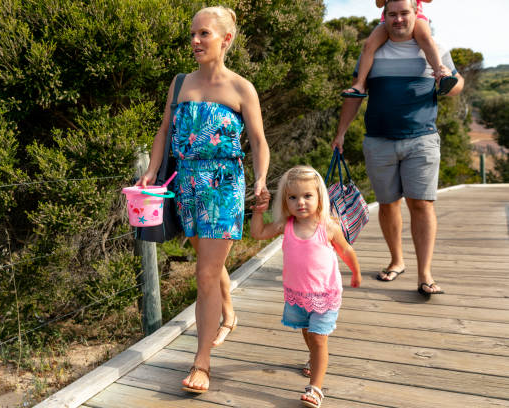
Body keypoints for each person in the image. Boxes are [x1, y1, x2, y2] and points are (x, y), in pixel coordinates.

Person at [136, 6, 270, 393]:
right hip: (186, 186)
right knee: (207, 263)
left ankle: (202, 363)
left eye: (204, 34)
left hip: (224, 184)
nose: (195, 41)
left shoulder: (242, 88)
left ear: (226, 40)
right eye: (193, 34)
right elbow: (164, 131)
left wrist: (260, 179)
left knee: (206, 273)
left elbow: (259, 142)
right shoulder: (179, 84)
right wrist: (152, 170)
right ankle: (228, 312)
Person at [332, 0, 464, 296]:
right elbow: (356, 92)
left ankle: (425, 275)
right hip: (378, 140)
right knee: (388, 203)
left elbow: (455, 83)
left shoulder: (433, 47)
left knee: (421, 204)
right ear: (384, 16)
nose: (398, 20)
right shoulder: (373, 50)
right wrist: (341, 133)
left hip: (422, 139)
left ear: (416, 14)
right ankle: (396, 261)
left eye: (404, 13)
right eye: (392, 14)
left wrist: (449, 81)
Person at [250, 166, 361, 408]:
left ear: (320, 196)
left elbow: (346, 250)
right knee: (306, 332)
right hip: (297, 295)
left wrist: (355, 272)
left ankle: (316, 389)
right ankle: (313, 359)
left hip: (325, 294)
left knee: (319, 340)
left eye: (307, 196)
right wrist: (259, 211)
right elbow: (257, 233)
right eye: (293, 197)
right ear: (285, 200)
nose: (300, 202)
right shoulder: (285, 226)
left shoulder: (327, 226)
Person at [341, 0, 457, 98]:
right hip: (389, 19)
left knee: (425, 38)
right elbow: (379, 4)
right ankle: (359, 85)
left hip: (415, 17)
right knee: (368, 45)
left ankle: (441, 76)